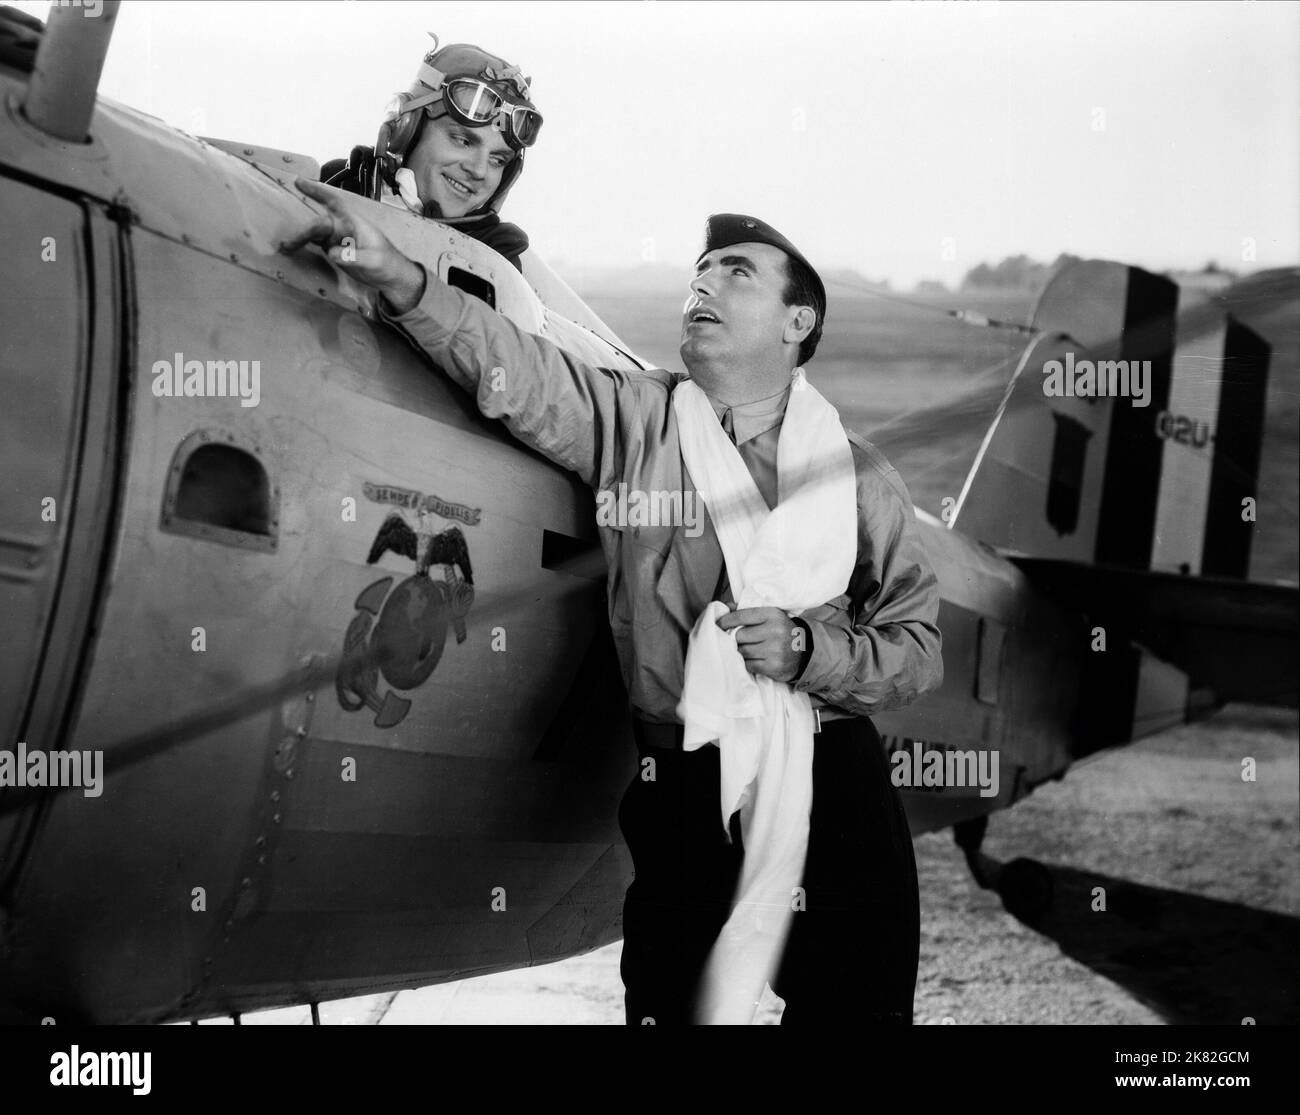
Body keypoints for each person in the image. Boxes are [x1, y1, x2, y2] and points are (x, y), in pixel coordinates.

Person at [282, 189, 944, 1025]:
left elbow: (918, 649)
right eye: (699, 271)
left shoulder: (860, 476)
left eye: (736, 273)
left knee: (858, 1011)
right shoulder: (638, 420)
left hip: (831, 773)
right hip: (681, 773)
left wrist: (812, 651)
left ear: (796, 322)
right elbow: (517, 370)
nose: (701, 286)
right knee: (669, 1010)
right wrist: (405, 280)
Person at [319, 40, 541, 271]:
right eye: (463, 141)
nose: (478, 170)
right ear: (406, 128)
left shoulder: (496, 260)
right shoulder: (334, 186)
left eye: (497, 160)